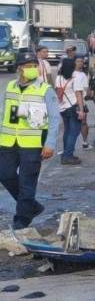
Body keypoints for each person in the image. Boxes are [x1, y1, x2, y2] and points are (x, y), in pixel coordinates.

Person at [0, 51, 61, 229]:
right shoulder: (10, 86)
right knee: (5, 175)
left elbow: (54, 118)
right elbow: (3, 114)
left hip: (32, 144)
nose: (33, 69)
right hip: (8, 141)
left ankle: (22, 219)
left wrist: (49, 144)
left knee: (27, 183)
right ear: (19, 68)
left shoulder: (44, 89)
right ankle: (32, 206)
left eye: (35, 66)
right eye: (29, 66)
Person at [55, 58, 85, 165]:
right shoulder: (75, 77)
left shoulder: (58, 77)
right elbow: (78, 94)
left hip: (62, 107)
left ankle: (66, 154)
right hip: (73, 107)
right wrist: (81, 110)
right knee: (74, 132)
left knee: (67, 131)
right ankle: (68, 156)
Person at [74, 57, 91, 149]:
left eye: (81, 61)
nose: (80, 63)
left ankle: (85, 142)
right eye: (78, 61)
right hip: (74, 102)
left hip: (81, 102)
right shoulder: (70, 74)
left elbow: (86, 89)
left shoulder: (83, 75)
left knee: (83, 123)